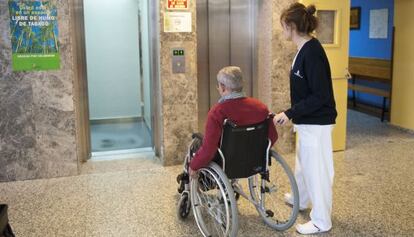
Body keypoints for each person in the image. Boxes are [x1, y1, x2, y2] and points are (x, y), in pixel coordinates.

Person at [274, 3, 337, 235]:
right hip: (307, 121)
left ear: (291, 26)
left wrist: (290, 113)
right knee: (303, 165)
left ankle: (321, 220)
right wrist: (293, 113)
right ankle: (300, 199)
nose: (282, 31)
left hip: (318, 122)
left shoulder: (313, 52)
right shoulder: (303, 50)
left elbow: (320, 95)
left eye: (283, 27)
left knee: (317, 170)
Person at [189, 66, 277, 175]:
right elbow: (272, 137)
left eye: (219, 85)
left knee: (196, 143)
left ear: (223, 87)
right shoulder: (261, 107)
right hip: (254, 161)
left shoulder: (218, 112)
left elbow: (209, 149)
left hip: (226, 163)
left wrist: (194, 166)